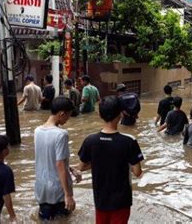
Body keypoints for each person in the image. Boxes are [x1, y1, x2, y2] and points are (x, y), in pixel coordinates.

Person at [77, 96, 144, 224]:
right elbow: (137, 172)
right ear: (120, 115)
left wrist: (99, 161)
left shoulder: (90, 140)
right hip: (122, 201)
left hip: (100, 200)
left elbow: (81, 166)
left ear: (100, 115)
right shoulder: (129, 141)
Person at [34, 97, 81, 221]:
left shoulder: (37, 131)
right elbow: (59, 163)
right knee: (63, 220)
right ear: (61, 113)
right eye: (68, 116)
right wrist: (68, 195)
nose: (68, 119)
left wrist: (70, 169)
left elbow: (47, 158)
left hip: (41, 188)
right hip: (57, 190)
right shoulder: (61, 134)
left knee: (45, 220)